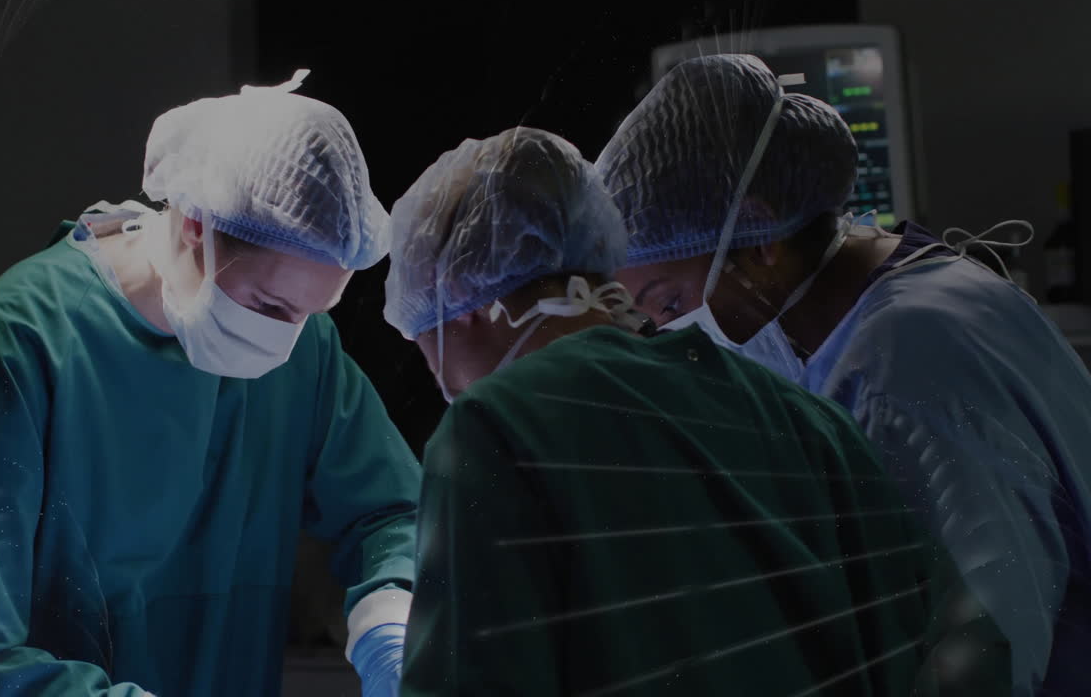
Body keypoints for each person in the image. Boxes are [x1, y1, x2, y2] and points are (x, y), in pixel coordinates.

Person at [383, 126, 1006, 696]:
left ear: (459, 305)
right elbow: (962, 646)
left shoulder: (495, 429)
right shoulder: (798, 416)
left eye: (425, 347)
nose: (441, 377)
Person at [0, 71, 420, 696]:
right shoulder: (15, 349)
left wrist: (389, 622)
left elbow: (392, 512)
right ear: (196, 224)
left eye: (317, 311)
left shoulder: (304, 348)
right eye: (272, 305)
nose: (288, 338)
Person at [596, 53, 1091, 697]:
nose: (675, 330)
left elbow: (982, 650)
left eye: (668, 303)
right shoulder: (904, 287)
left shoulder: (901, 364)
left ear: (758, 237)